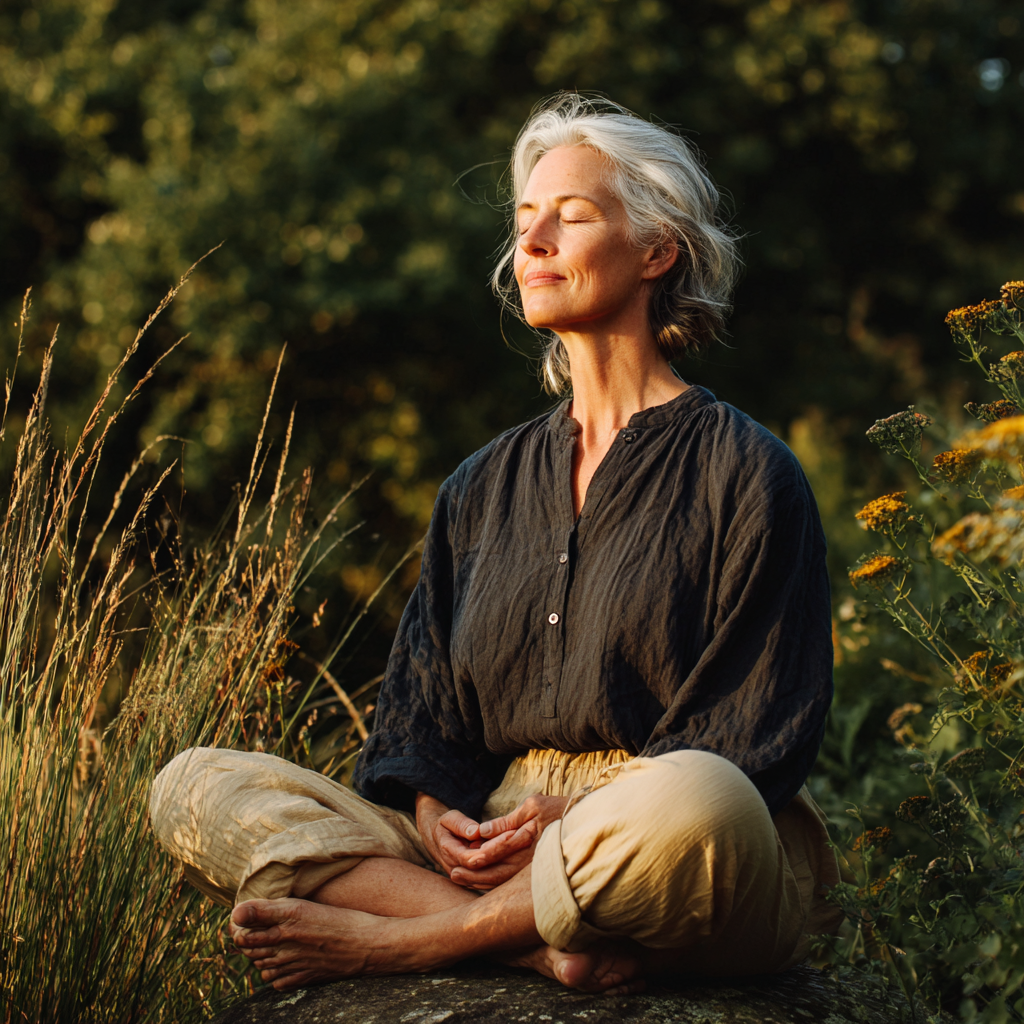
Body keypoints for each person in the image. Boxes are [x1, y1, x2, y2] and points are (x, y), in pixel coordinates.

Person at [149, 93, 841, 995]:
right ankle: (529, 944)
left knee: (700, 799)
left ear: (658, 251)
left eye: (574, 216)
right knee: (192, 784)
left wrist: (580, 817)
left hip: (656, 843)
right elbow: (421, 722)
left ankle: (405, 941)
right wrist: (439, 817)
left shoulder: (748, 471)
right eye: (525, 221)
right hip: (498, 844)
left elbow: (752, 741)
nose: (535, 242)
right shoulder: (478, 486)